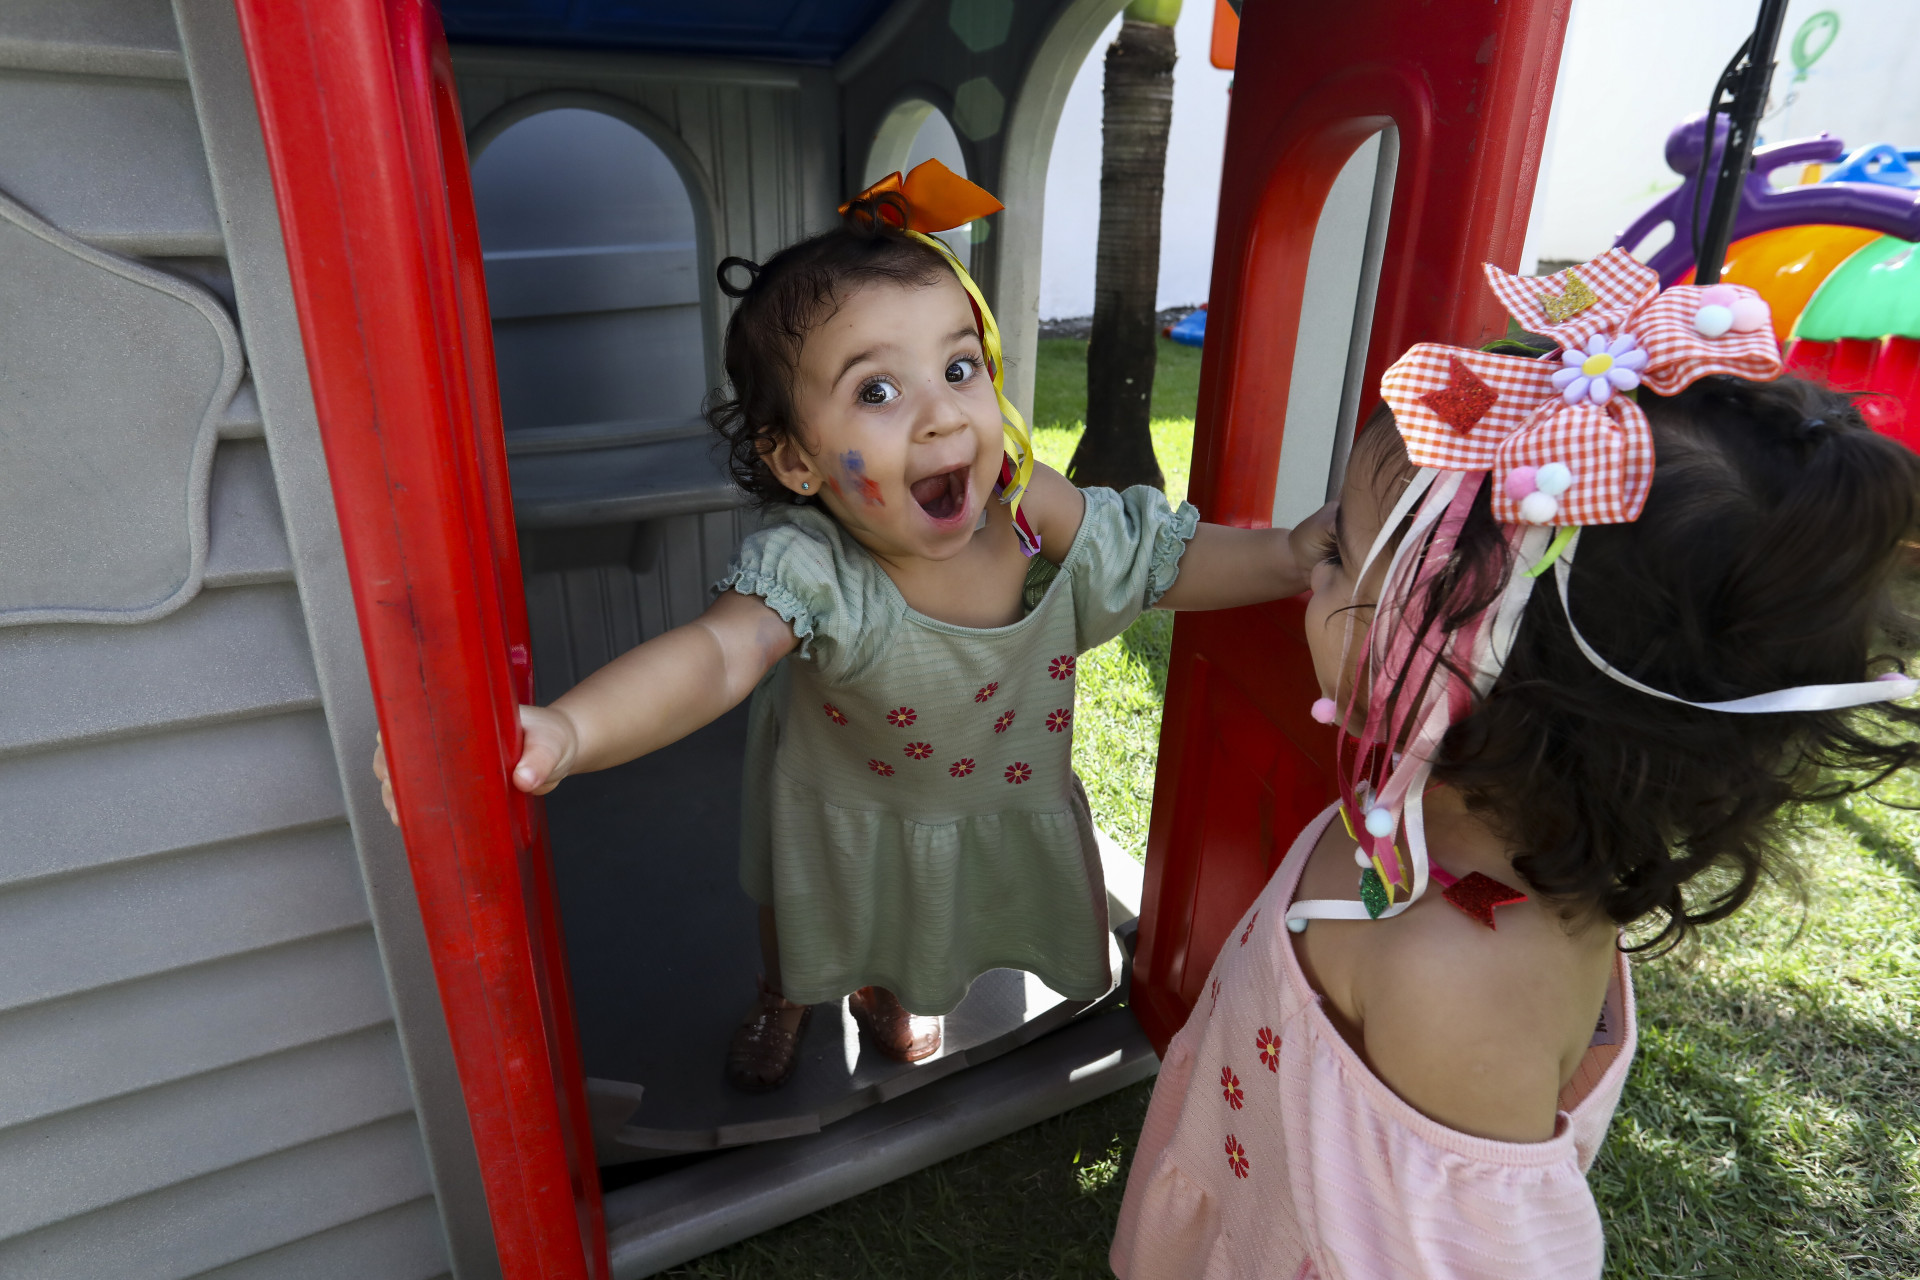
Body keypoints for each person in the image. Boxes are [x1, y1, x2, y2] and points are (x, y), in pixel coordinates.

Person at [374, 160, 1320, 1091]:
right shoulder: (814, 566)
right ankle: (785, 992)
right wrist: (571, 730)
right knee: (806, 911)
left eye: (960, 366)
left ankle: (883, 992)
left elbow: (1154, 555)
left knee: (915, 921)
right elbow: (716, 654)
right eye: (876, 391)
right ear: (794, 461)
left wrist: (1288, 557)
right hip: (841, 803)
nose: (943, 414)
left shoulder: (1037, 517)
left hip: (986, 796)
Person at [1110, 249, 1920, 1278]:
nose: (1311, 566)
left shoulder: (1464, 981)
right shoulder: (1442, 800)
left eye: (1343, 558)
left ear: (1466, 655)